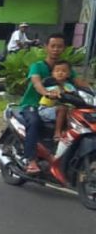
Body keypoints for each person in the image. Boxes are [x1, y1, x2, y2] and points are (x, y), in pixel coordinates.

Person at [19, 33, 90, 174]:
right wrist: (46, 92)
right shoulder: (37, 66)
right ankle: (31, 160)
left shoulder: (64, 68)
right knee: (34, 122)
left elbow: (80, 83)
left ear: (64, 48)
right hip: (34, 105)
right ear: (46, 47)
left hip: (57, 107)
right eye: (53, 46)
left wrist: (92, 91)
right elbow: (36, 83)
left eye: (60, 46)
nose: (56, 49)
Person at [38, 61, 78, 143]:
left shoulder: (69, 86)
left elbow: (75, 94)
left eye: (63, 71)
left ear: (68, 74)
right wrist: (52, 94)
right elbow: (50, 92)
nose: (60, 73)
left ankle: (68, 132)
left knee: (74, 112)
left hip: (63, 110)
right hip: (45, 110)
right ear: (53, 73)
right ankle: (57, 133)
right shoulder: (50, 84)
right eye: (57, 71)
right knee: (62, 108)